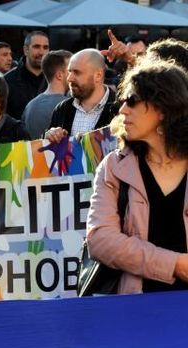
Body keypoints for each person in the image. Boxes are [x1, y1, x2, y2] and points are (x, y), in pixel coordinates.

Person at [86, 59, 188, 294]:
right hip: (136, 310)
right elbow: (100, 240)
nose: (122, 110)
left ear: (163, 108)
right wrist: (174, 264)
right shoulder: (115, 166)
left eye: (132, 101)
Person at [44, 49, 117, 142]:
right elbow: (51, 152)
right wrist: (49, 137)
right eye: (69, 71)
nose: (69, 78)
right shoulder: (63, 108)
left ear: (98, 75)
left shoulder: (121, 109)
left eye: (77, 72)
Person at [21, 50, 72, 140]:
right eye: (70, 70)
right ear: (59, 75)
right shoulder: (67, 106)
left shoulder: (30, 105)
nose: (73, 75)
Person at [4, 31, 49, 120]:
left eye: (45, 47)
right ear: (26, 50)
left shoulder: (56, 79)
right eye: (36, 47)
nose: (41, 52)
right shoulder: (8, 81)